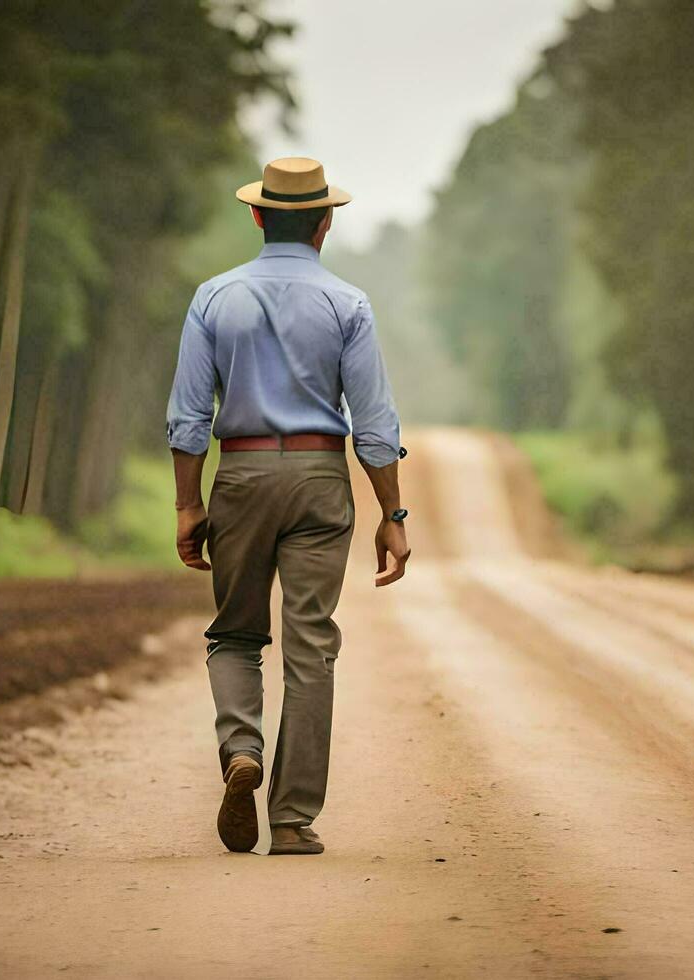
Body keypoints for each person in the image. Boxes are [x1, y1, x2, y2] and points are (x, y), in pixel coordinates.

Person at [164, 157, 410, 856]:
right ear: (325, 222)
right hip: (318, 480)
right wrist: (392, 516)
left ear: (257, 216)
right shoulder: (349, 304)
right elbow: (375, 424)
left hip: (239, 473)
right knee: (311, 646)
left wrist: (188, 504)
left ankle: (242, 747)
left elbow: (187, 417)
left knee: (236, 633)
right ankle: (295, 820)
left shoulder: (214, 298)